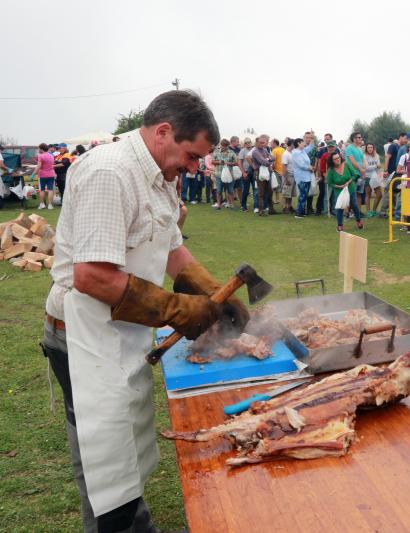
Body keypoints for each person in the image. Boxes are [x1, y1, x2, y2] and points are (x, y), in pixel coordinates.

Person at [40, 90, 249, 533]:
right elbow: (92, 276)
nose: (194, 168)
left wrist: (215, 293)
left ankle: (133, 522)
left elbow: (172, 249)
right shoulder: (109, 173)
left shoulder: (161, 177)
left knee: (126, 444)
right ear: (163, 132)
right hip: (82, 334)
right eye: (192, 155)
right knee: (103, 456)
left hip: (121, 331)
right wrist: (176, 308)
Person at [326, 151, 364, 232]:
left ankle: (359, 221)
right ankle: (340, 225)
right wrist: (339, 186)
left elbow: (355, 175)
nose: (337, 160)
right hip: (339, 191)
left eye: (338, 158)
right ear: (332, 161)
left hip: (350, 188)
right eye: (335, 159)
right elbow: (329, 182)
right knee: (340, 207)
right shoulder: (331, 170)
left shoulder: (346, 164)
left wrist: (348, 182)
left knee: (354, 205)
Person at [211, 139, 242, 209]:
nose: (223, 147)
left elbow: (236, 162)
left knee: (230, 190)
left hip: (229, 175)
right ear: (220, 145)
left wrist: (229, 163)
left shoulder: (231, 152)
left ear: (227, 146)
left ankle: (232, 205)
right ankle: (219, 205)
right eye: (222, 146)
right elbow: (212, 161)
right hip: (219, 174)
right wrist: (219, 162)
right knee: (219, 190)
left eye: (225, 146)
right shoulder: (216, 152)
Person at [249, 135, 275, 215]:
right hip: (259, 173)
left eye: (263, 142)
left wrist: (267, 160)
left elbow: (273, 158)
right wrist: (268, 160)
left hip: (266, 172)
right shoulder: (255, 151)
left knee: (270, 191)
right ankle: (261, 210)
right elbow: (263, 161)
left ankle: (270, 209)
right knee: (260, 192)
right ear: (256, 143)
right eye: (261, 143)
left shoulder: (264, 150)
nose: (263, 144)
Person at [291, 137, 313, 218]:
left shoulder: (302, 151)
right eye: (303, 142)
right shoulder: (296, 153)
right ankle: (299, 212)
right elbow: (301, 164)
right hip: (301, 177)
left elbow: (308, 148)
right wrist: (309, 168)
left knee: (304, 195)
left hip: (306, 176)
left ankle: (302, 211)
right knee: (303, 195)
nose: (304, 143)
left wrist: (311, 141)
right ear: (298, 143)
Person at [345, 132, 367, 214]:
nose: (361, 139)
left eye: (360, 137)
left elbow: (363, 160)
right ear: (354, 139)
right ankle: (348, 212)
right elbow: (352, 161)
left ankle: (357, 211)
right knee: (351, 193)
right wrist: (361, 169)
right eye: (359, 137)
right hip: (352, 174)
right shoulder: (349, 148)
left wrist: (364, 169)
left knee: (359, 193)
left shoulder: (360, 148)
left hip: (361, 174)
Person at [33, 143, 57, 209]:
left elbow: (39, 166)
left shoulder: (40, 156)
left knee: (42, 190)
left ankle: (42, 204)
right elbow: (52, 165)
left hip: (42, 175)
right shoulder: (51, 156)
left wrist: (33, 174)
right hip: (51, 174)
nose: (38, 150)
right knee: (50, 190)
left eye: (39, 149)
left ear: (41, 149)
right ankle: (50, 205)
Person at [364, 143, 382, 217]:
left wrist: (377, 167)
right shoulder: (364, 156)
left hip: (376, 177)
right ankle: (368, 212)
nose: (370, 149)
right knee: (368, 194)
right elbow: (366, 168)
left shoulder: (376, 155)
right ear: (366, 148)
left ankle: (374, 211)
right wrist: (376, 166)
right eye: (368, 147)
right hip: (368, 177)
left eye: (371, 147)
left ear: (373, 148)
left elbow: (379, 165)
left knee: (379, 194)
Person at [280, 141, 295, 213]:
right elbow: (284, 167)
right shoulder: (285, 154)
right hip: (288, 175)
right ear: (291, 145)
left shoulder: (292, 153)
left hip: (292, 175)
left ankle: (290, 206)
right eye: (294, 144)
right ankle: (285, 207)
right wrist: (286, 178)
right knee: (286, 192)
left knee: (290, 193)